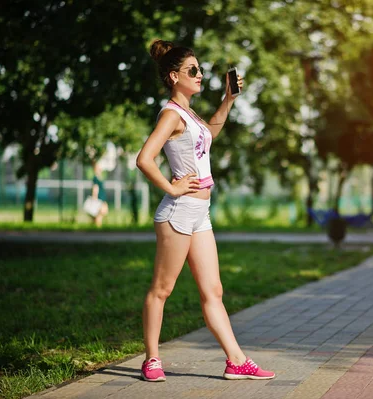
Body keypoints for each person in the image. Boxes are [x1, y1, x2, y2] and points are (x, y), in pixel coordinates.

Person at [135, 40, 275, 382]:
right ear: (173, 76)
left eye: (200, 70)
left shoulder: (190, 115)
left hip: (201, 214)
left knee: (213, 291)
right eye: (192, 71)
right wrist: (171, 187)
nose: (200, 75)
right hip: (178, 212)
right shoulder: (170, 114)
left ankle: (236, 360)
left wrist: (228, 100)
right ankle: (152, 359)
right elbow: (144, 158)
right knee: (162, 289)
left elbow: (207, 136)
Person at [91, 161, 109, 227]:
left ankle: (96, 225)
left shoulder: (99, 177)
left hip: (102, 197)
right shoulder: (95, 178)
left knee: (102, 212)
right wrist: (94, 197)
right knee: (100, 213)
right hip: (99, 198)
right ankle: (97, 227)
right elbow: (95, 188)